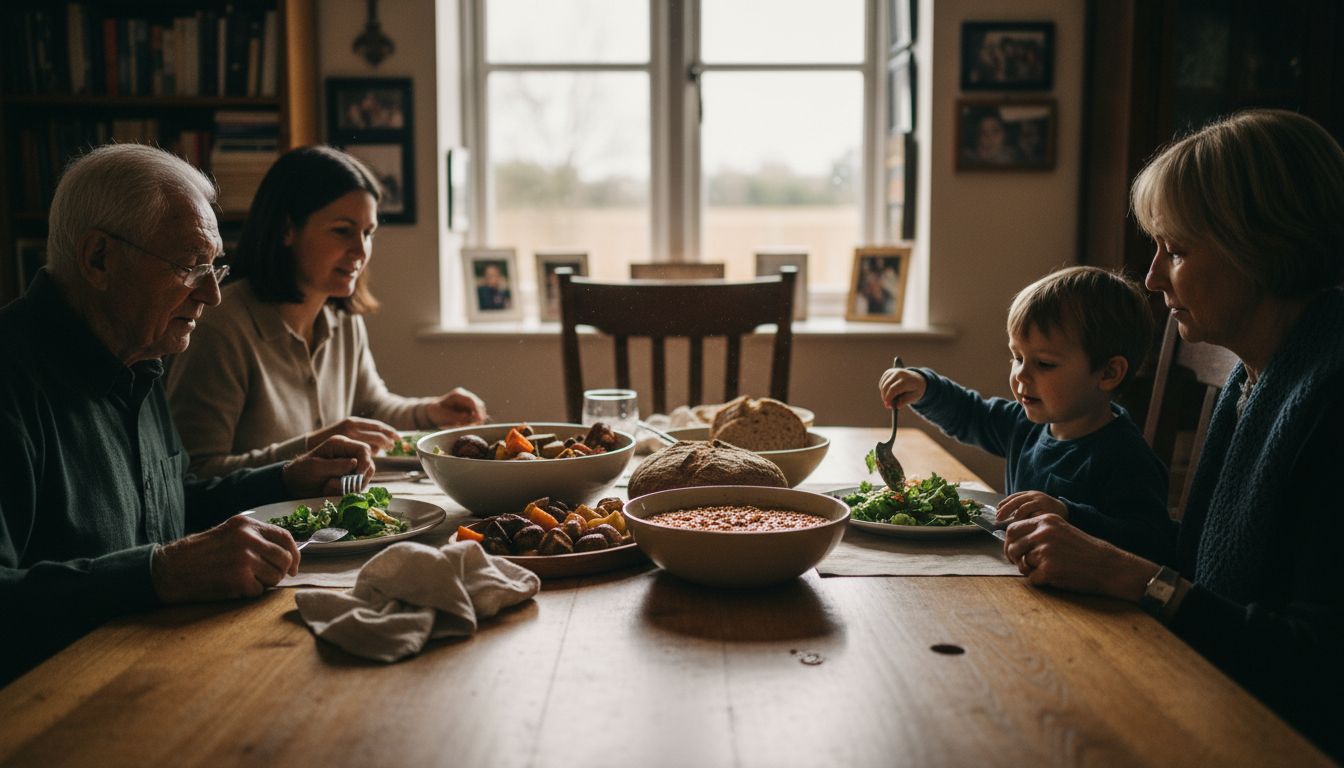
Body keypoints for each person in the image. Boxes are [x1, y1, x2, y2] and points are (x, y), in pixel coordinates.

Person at [1000, 110, 1344, 760]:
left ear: (1263, 246)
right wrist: (1084, 530)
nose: (1154, 278)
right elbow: (1189, 560)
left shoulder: (1329, 401)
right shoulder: (1256, 377)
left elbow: (1317, 671)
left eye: (1177, 250)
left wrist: (1128, 575)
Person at [0, 144, 376, 684]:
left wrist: (289, 476)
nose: (213, 294)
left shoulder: (139, 355)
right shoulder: (13, 378)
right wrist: (158, 574)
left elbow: (171, 505)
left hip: (153, 663)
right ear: (99, 258)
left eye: (215, 265)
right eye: (190, 265)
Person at [166, 146, 488, 477]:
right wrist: (311, 448)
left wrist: (432, 412)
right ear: (287, 229)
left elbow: (373, 407)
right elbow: (197, 476)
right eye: (343, 230)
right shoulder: (221, 326)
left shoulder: (343, 319)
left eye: (368, 233)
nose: (361, 251)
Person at [878, 266, 1171, 561]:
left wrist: (1069, 516)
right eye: (1017, 358)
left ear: (1108, 373)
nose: (1021, 376)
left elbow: (1152, 543)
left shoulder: (1126, 457)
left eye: (1044, 364)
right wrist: (926, 387)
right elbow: (972, 415)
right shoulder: (1023, 424)